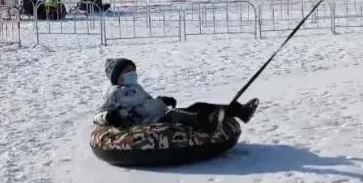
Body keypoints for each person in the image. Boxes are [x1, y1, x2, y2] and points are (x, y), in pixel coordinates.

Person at [93, 58, 258, 131]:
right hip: (144, 121)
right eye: (127, 71)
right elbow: (98, 114)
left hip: (157, 113)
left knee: (197, 106)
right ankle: (206, 122)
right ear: (117, 77)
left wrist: (162, 100)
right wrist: (109, 117)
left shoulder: (137, 87)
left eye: (133, 70)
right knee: (175, 115)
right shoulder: (115, 93)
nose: (132, 73)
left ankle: (238, 111)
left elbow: (147, 102)